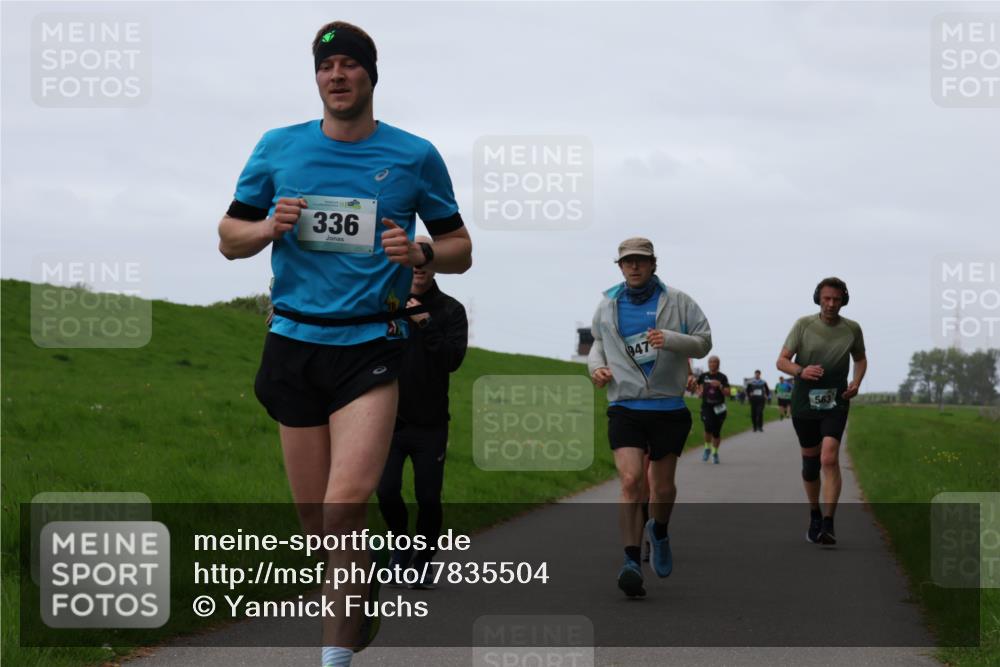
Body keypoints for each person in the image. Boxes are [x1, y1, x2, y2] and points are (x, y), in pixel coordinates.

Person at [217, 21, 472, 667]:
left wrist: (420, 250)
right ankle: (361, 596)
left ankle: (334, 658)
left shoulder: (415, 155)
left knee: (346, 501)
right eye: (327, 65)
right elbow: (228, 236)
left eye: (350, 64)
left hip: (371, 344)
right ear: (317, 78)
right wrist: (268, 226)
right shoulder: (278, 148)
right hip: (293, 343)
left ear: (370, 75)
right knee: (319, 527)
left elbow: (461, 248)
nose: (338, 75)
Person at [588, 237, 712, 597]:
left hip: (667, 408)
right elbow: (598, 342)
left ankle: (658, 529)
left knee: (661, 487)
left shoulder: (679, 301)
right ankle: (630, 560)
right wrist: (595, 368)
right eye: (628, 262)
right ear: (620, 266)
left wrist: (671, 339)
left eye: (641, 261)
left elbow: (704, 341)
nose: (635, 267)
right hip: (625, 406)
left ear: (654, 264)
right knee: (630, 482)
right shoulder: (608, 304)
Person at [377, 239, 468, 588]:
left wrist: (426, 322)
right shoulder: (385, 304)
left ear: (434, 266)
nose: (417, 268)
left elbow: (452, 361)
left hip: (430, 423)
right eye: (411, 262)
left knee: (428, 498)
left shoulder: (450, 310)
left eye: (423, 262)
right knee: (386, 491)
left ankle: (423, 559)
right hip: (387, 419)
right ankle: (400, 545)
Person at [776, 277, 866, 546]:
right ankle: (814, 512)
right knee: (811, 464)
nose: (831, 304)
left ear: (844, 300)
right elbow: (781, 361)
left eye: (836, 299)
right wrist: (801, 371)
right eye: (826, 298)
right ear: (818, 298)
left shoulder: (852, 329)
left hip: (835, 402)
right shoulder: (803, 325)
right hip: (805, 402)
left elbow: (860, 359)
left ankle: (828, 523)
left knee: (829, 458)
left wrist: (856, 383)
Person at [696, 356, 730, 464]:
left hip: (719, 407)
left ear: (718, 364)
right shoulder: (703, 376)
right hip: (707, 406)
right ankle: (707, 448)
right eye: (710, 362)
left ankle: (715, 453)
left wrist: (720, 386)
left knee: (716, 432)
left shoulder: (722, 377)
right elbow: (697, 386)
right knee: (707, 427)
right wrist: (699, 392)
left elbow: (728, 393)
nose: (712, 364)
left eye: (714, 362)